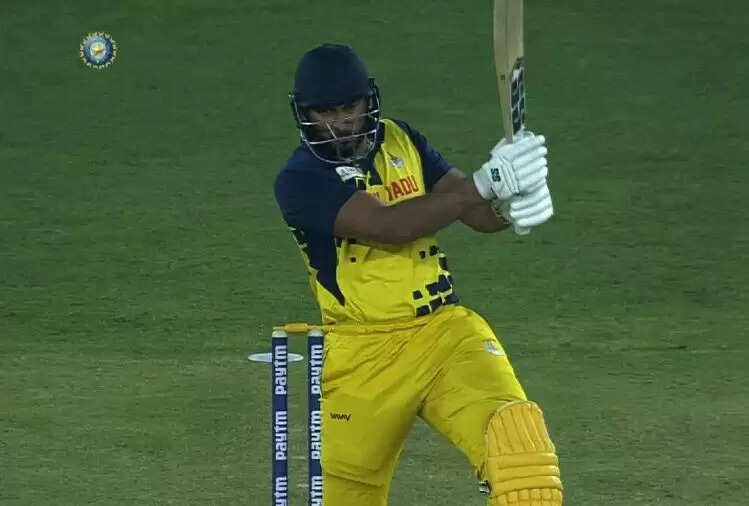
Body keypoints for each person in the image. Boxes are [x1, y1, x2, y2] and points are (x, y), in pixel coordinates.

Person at [274, 43, 563, 506]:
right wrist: (485, 182)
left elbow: (472, 211)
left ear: (368, 100)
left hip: (445, 335)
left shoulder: (400, 138)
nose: (340, 122)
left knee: (522, 460)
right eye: (324, 112)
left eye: (349, 107)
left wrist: (511, 203)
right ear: (304, 114)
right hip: (363, 357)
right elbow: (390, 227)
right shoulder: (300, 179)